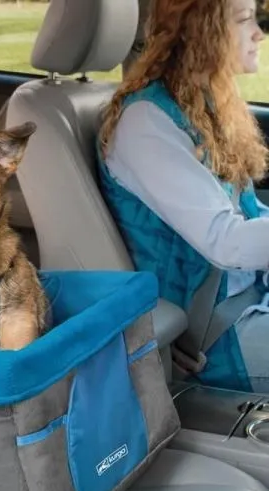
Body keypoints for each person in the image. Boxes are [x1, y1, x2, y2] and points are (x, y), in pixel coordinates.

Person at [97, 0, 269, 392]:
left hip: (250, 296)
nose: (259, 33)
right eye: (244, 20)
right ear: (201, 30)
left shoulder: (204, 103)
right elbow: (227, 242)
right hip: (218, 332)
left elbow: (249, 212)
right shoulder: (147, 122)